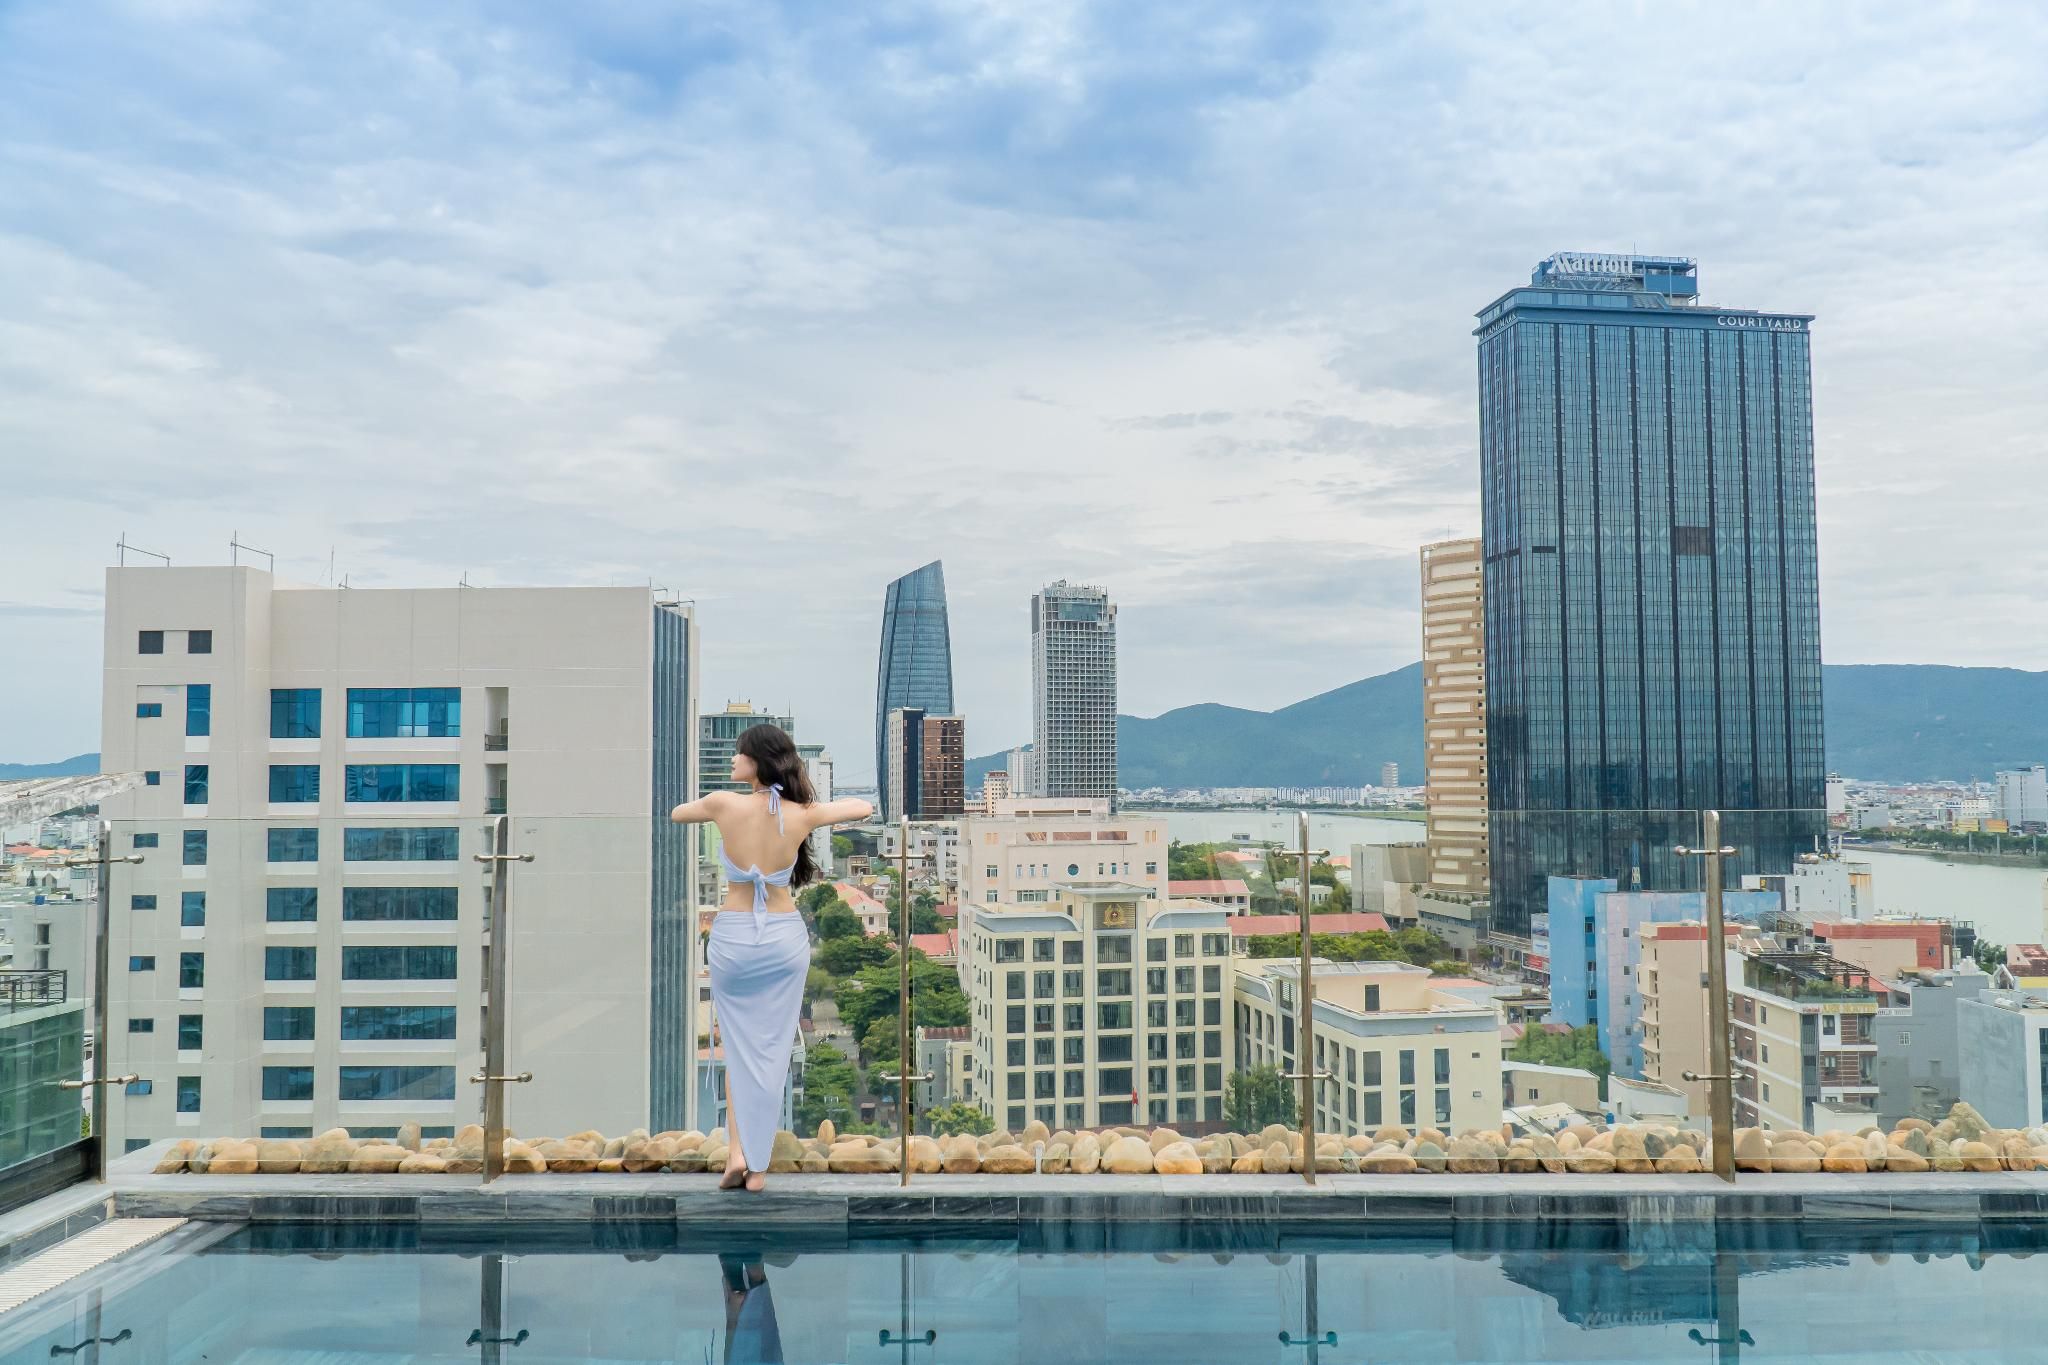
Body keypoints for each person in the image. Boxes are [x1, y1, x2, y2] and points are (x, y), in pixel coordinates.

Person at [670, 723, 872, 1192]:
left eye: (740, 755)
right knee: (772, 1052)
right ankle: (756, 1168)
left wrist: (717, 804)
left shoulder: (723, 803)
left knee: (738, 1050)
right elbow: (863, 807)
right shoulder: (800, 813)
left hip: (735, 937)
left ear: (756, 760)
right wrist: (809, 805)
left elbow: (678, 813)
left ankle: (736, 1156)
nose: (733, 761)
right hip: (783, 938)